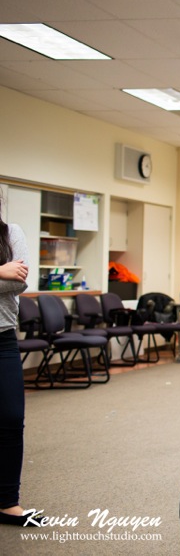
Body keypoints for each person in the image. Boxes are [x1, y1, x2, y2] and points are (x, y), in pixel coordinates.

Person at [0, 202, 42, 527]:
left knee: (12, 419)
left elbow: (19, 283)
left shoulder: (11, 233)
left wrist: (8, 275)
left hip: (3, 338)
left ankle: (7, 502)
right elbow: (7, 278)